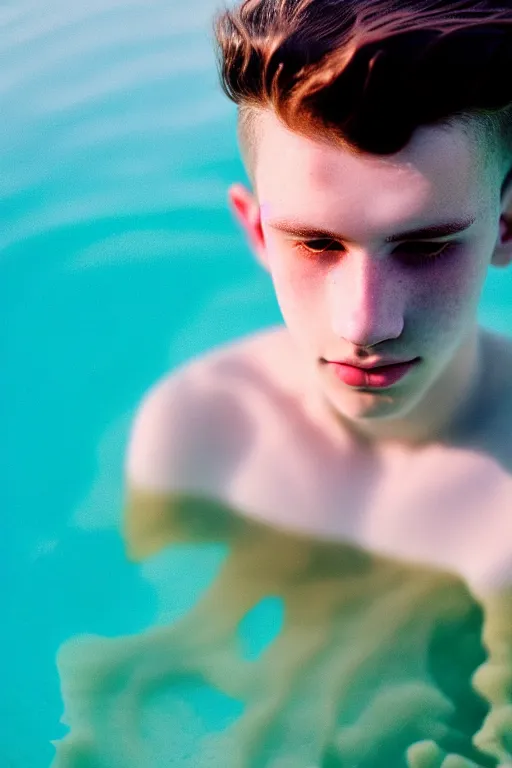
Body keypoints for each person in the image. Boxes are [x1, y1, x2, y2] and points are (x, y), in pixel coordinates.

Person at [52, 1, 512, 766]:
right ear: (256, 231)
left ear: (506, 228)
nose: (365, 323)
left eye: (425, 246)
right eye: (317, 244)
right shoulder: (195, 431)